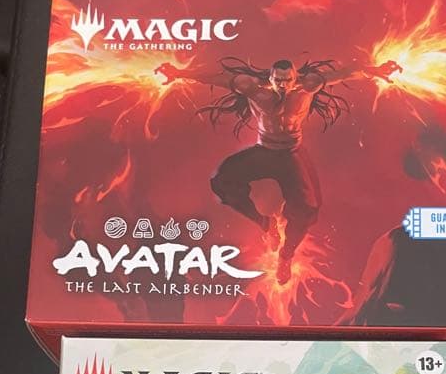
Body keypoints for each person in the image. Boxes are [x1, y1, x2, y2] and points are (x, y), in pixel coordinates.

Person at [155, 56, 400, 283]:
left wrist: (375, 70)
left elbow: (345, 72)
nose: (283, 85)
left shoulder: (308, 86)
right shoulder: (252, 88)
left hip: (291, 155)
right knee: (222, 180)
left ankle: (286, 255)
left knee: (306, 209)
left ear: (295, 78)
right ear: (270, 78)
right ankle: (265, 224)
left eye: (287, 80)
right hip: (265, 152)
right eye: (278, 80)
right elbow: (217, 78)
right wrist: (180, 73)